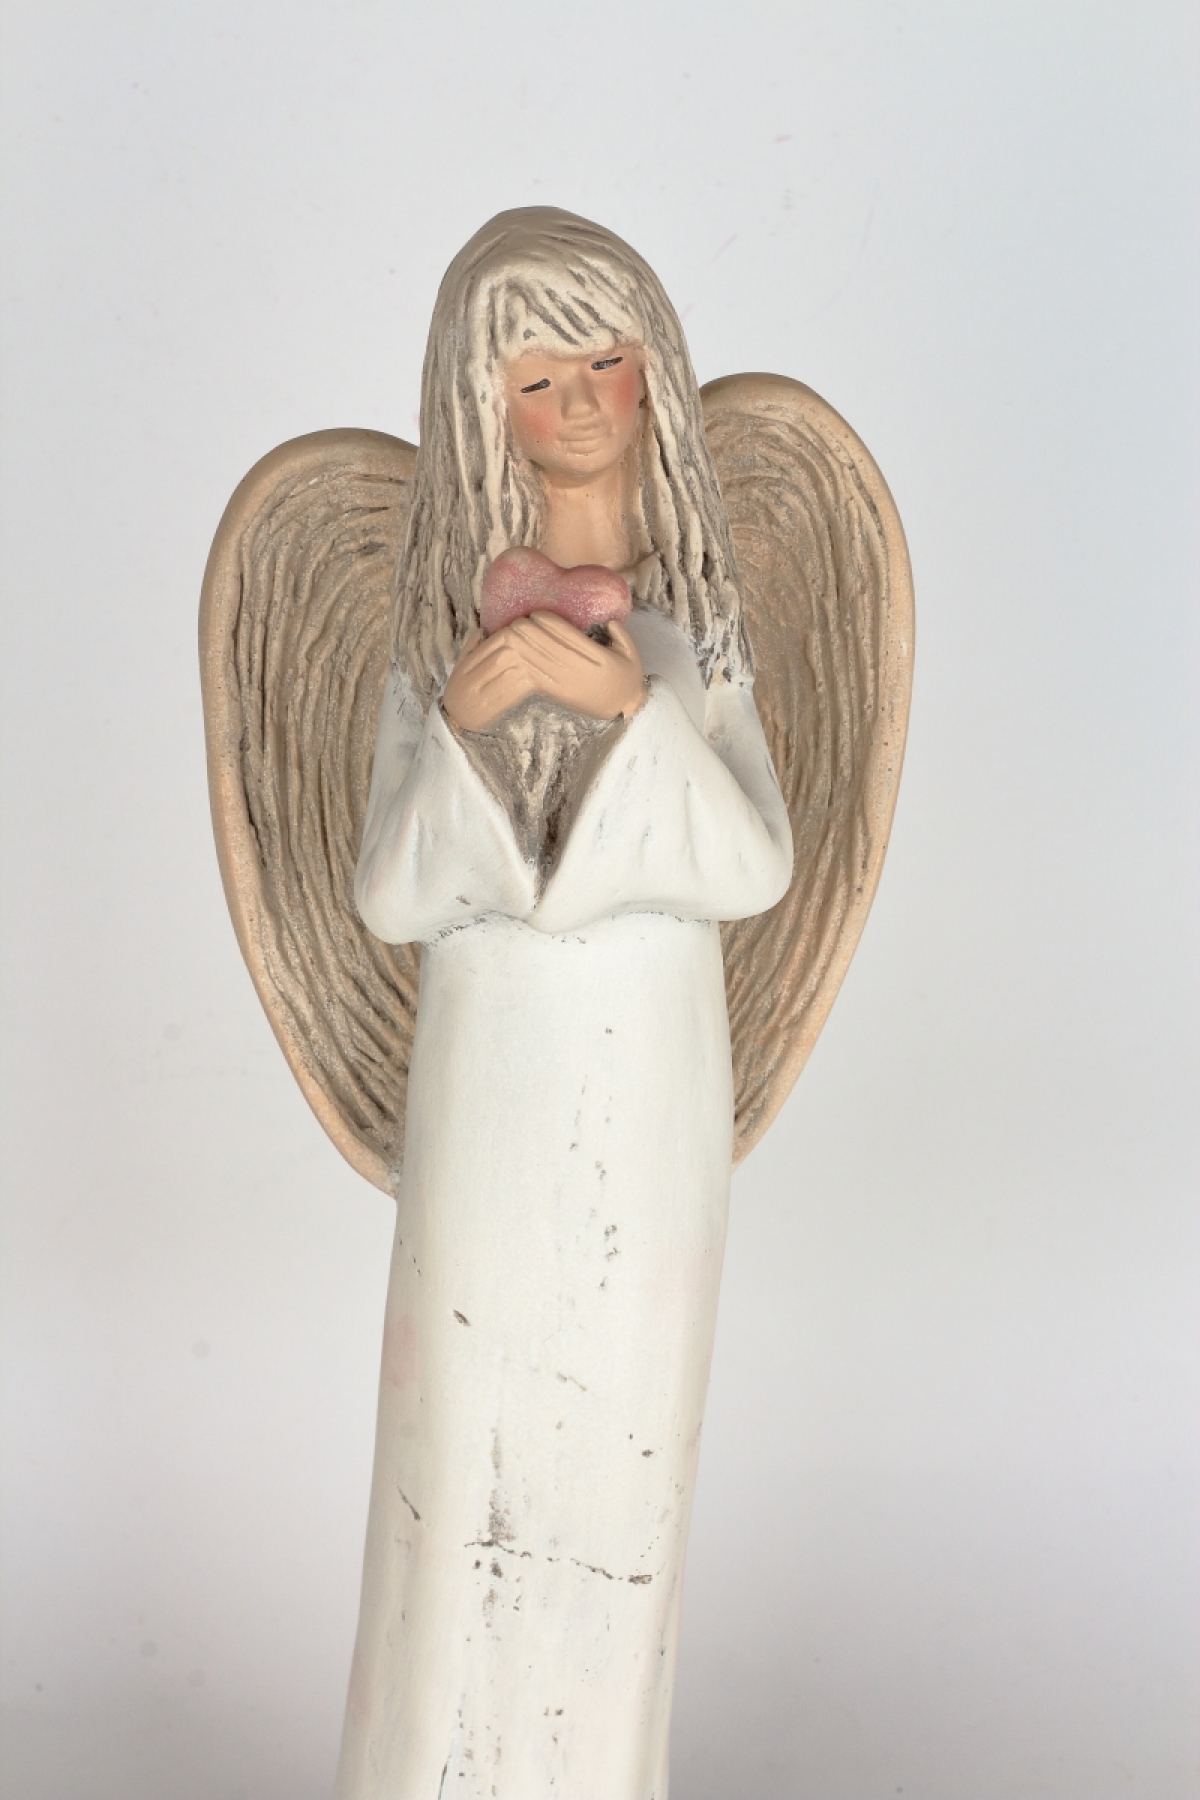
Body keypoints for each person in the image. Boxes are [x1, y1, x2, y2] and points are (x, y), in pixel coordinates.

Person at [338, 208, 793, 1800]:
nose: (582, 404)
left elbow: (754, 865)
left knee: (622, 1442)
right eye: (539, 377)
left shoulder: (696, 627)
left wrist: (634, 712)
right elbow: (388, 896)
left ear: (655, 373)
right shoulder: (434, 632)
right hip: (489, 1070)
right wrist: (466, 734)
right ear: (485, 407)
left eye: (607, 362)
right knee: (461, 1428)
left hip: (651, 1070)